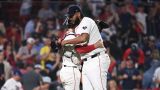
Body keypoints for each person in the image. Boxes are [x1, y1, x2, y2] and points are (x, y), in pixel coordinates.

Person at [61, 5, 111, 90]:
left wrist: (65, 42)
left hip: (96, 58)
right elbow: (79, 49)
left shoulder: (86, 20)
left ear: (78, 14)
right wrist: (94, 45)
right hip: (87, 62)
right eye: (69, 16)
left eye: (71, 16)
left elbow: (83, 38)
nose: (70, 18)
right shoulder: (77, 29)